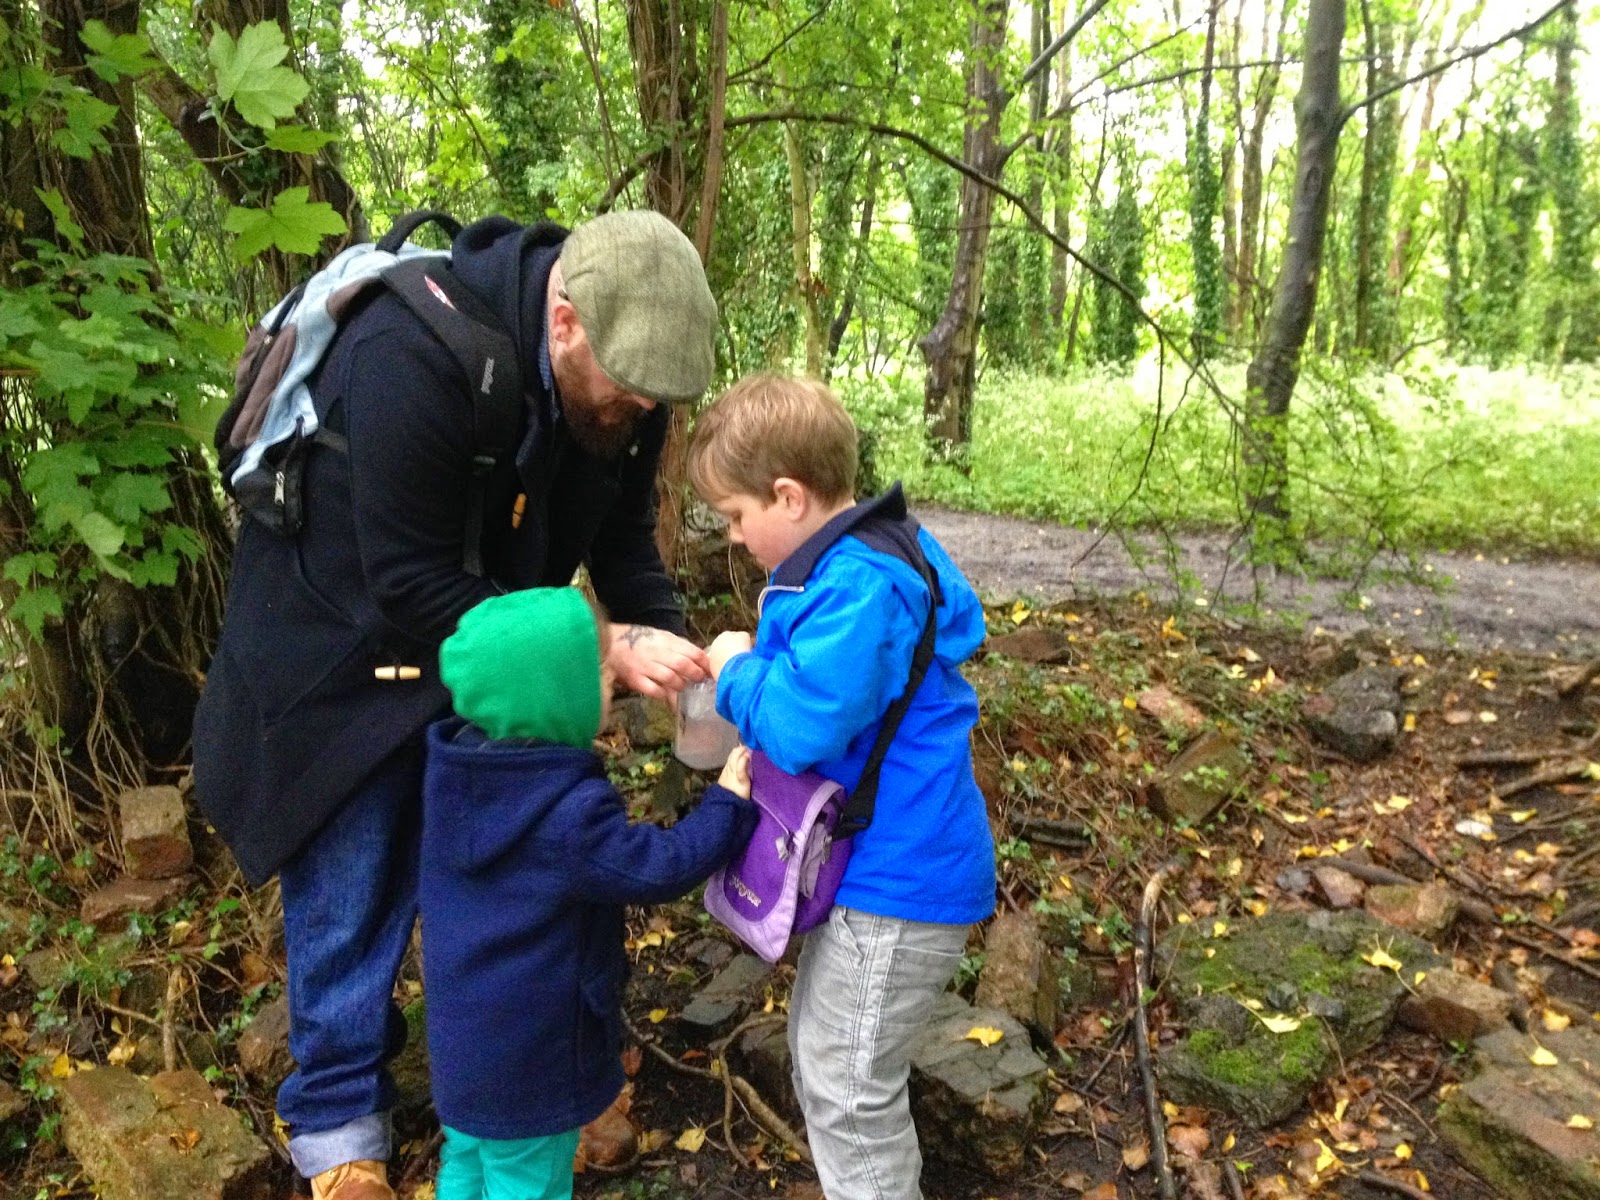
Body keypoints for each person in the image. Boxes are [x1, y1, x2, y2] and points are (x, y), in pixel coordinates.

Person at [192, 211, 718, 1200]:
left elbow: (622, 543)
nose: (644, 407)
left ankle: (542, 1089)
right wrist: (593, 646)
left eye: (659, 395)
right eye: (630, 386)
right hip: (342, 650)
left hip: (491, 651)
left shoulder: (624, 395)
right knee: (354, 878)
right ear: (565, 318)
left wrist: (678, 647)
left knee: (514, 877)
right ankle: (340, 1128)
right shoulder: (410, 354)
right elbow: (404, 577)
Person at [687, 375, 997, 1200]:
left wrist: (736, 670)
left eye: (735, 516)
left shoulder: (860, 587)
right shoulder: (859, 565)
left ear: (788, 496)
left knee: (848, 1090)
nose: (732, 536)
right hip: (879, 875)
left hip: (897, 882)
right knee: (828, 1057)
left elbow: (800, 726)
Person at [422, 586, 756, 1200]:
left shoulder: (458, 778)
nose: (612, 681)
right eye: (599, 671)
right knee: (531, 1183)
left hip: (462, 1046)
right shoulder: (564, 814)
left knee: (468, 1162)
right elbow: (657, 867)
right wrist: (727, 805)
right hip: (535, 1057)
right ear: (551, 697)